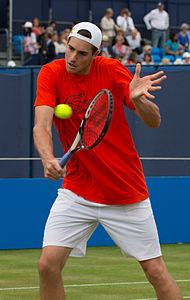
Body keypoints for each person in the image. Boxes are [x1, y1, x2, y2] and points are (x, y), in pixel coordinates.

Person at [33, 21, 183, 300]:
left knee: (155, 272)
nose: (72, 58)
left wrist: (139, 100)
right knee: (47, 265)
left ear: (96, 54)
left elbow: (154, 121)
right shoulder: (50, 73)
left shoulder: (112, 70)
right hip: (77, 189)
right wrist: (47, 158)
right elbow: (41, 125)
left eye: (81, 53)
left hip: (124, 191)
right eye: (70, 49)